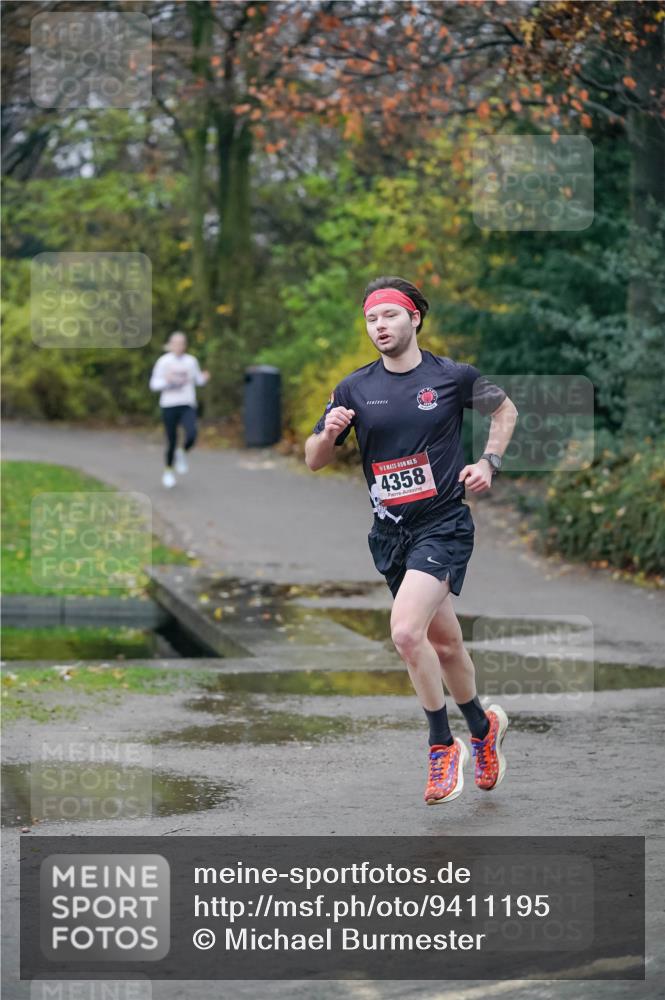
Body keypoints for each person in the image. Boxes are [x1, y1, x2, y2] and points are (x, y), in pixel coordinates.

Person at [305, 277, 519, 805]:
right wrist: (329, 432)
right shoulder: (353, 388)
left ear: (414, 318)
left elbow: (505, 410)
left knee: (405, 633)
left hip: (442, 524)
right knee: (443, 643)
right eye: (372, 320)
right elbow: (313, 458)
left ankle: (442, 745)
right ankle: (483, 726)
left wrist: (488, 462)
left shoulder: (451, 377)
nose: (380, 327)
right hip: (391, 535)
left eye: (390, 317)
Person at [149, 331, 210, 488]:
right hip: (169, 405)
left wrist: (204, 378)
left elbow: (198, 380)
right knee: (172, 440)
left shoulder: (191, 361)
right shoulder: (163, 362)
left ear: (185, 345)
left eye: (181, 343)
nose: (178, 346)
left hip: (187, 403)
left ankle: (182, 452)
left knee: (192, 434)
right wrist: (166, 381)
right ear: (170, 345)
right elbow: (154, 385)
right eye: (175, 343)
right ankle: (168, 471)